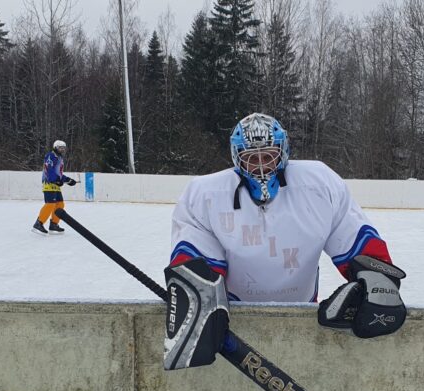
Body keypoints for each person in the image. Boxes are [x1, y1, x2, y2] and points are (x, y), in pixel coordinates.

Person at [162, 113, 408, 371]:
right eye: (251, 159)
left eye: (268, 156)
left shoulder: (319, 184)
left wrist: (377, 281)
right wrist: (195, 299)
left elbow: (355, 239)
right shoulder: (206, 195)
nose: (261, 167)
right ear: (237, 158)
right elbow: (195, 261)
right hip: (236, 322)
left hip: (302, 318)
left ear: (283, 152)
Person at [32, 140, 76, 235]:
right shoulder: (51, 155)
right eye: (60, 148)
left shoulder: (60, 158)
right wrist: (56, 179)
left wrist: (68, 180)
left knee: (60, 204)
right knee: (50, 204)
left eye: (63, 148)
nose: (62, 150)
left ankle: (54, 224)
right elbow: (49, 169)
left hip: (55, 185)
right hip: (49, 183)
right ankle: (38, 223)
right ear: (55, 147)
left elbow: (59, 174)